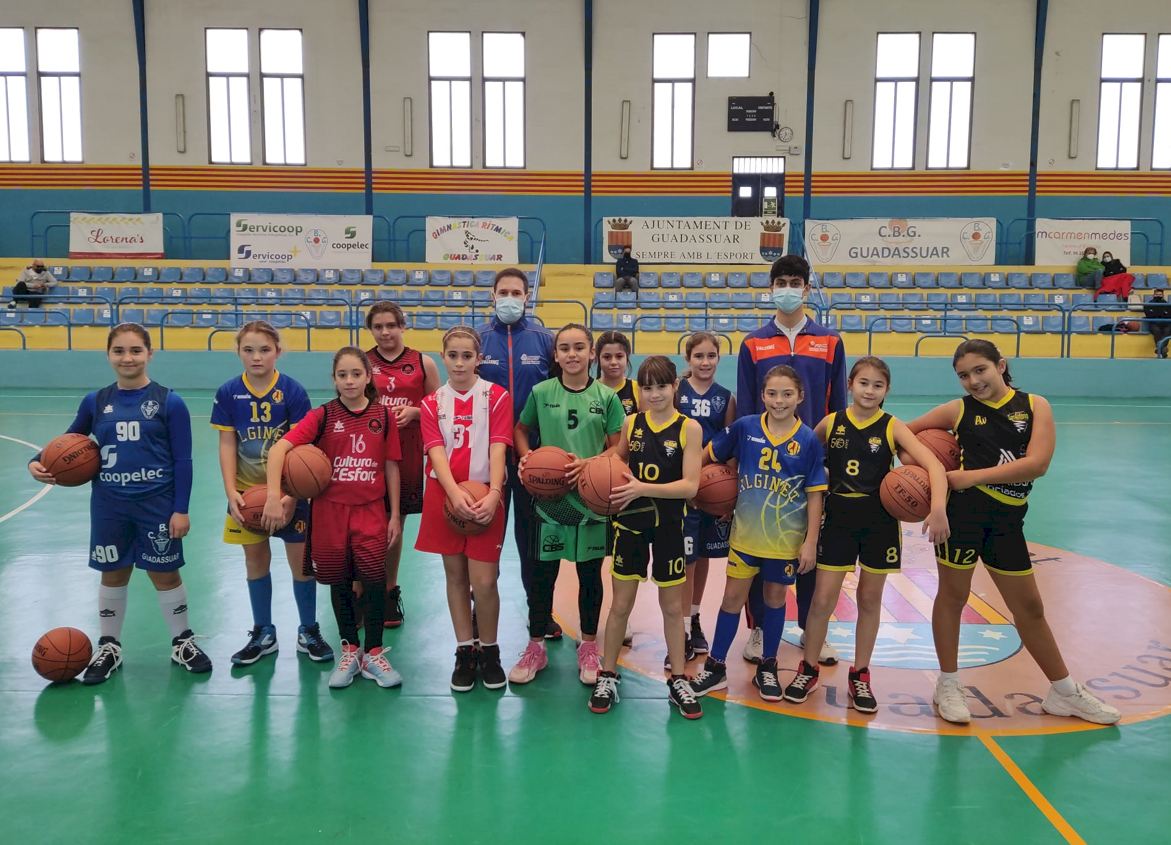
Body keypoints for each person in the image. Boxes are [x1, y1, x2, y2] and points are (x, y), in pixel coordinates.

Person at [909, 339, 1120, 725]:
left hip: (1007, 522)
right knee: (953, 599)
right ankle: (948, 685)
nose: (973, 381)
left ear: (1001, 365)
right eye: (963, 376)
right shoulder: (959, 410)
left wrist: (969, 476)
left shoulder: (1035, 406)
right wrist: (926, 468)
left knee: (1030, 608)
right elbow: (905, 435)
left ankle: (1063, 691)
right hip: (963, 518)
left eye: (980, 370)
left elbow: (1037, 465)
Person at [27, 323, 212, 684]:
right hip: (110, 504)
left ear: (150, 354)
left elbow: (183, 460)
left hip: (157, 504)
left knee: (165, 573)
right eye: (120, 351)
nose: (128, 358)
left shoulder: (169, 401)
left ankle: (182, 641)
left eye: (136, 351)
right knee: (113, 573)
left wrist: (181, 509)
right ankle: (109, 646)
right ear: (108, 355)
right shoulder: (95, 401)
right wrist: (37, 460)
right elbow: (69, 440)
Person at [782, 356, 950, 712]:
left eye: (877, 385)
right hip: (837, 519)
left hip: (879, 522)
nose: (869, 390)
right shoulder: (832, 422)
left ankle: (860, 674)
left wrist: (937, 508)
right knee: (822, 600)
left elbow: (933, 464)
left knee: (870, 600)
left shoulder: (892, 426)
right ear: (850, 385)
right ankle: (808, 668)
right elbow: (804, 457)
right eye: (863, 383)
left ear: (887, 390)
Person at [263, 347, 403, 690]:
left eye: (356, 374)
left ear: (368, 377)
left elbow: (391, 466)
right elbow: (280, 449)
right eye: (343, 375)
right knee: (339, 581)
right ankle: (350, 649)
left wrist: (395, 514)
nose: (350, 381)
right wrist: (273, 496)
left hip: (370, 510)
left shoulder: (383, 416)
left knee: (374, 581)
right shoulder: (323, 416)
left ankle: (373, 653)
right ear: (334, 379)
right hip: (329, 512)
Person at [689, 365, 826, 703]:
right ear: (762, 395)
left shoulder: (808, 439)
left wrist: (810, 542)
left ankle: (768, 666)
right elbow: (710, 454)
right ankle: (716, 666)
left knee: (775, 599)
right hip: (745, 536)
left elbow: (815, 494)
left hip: (785, 539)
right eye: (772, 393)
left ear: (800, 396)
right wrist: (697, 486)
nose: (779, 401)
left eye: (787, 394)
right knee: (732, 599)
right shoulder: (745, 427)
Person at [736, 254, 846, 666]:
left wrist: (833, 457)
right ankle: (759, 628)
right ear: (771, 288)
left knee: (810, 545)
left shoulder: (830, 341)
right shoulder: (753, 343)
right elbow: (748, 404)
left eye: (794, 282)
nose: (787, 288)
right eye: (780, 282)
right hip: (765, 464)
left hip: (812, 462)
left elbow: (839, 406)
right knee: (761, 542)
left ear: (806, 288)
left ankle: (810, 629)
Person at [588, 356, 704, 719]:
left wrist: (642, 488)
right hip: (630, 524)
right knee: (620, 605)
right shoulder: (632, 423)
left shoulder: (689, 428)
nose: (655, 394)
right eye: (648, 387)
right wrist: (591, 467)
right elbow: (617, 457)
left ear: (675, 386)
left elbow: (690, 486)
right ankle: (608, 674)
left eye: (662, 386)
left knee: (672, 607)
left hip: (669, 526)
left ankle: (679, 679)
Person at [212, 320, 333, 666]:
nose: (256, 357)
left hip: (288, 496)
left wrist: (290, 497)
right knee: (255, 562)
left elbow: (300, 448)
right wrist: (231, 492)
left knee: (302, 565)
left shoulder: (292, 392)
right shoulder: (228, 392)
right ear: (238, 352)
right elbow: (227, 443)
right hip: (247, 496)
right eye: (248, 350)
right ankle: (263, 632)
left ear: (278, 352)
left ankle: (308, 630)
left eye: (265, 350)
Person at [512, 323, 625, 685]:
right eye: (564, 348)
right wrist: (527, 458)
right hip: (549, 501)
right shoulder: (541, 391)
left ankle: (588, 645)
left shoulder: (607, 397)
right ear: (556, 355)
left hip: (591, 501)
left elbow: (618, 447)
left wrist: (589, 464)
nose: (572, 354)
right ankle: (535, 645)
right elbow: (520, 429)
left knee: (589, 575)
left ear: (591, 353)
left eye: (579, 347)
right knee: (542, 575)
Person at [416, 326, 513, 692]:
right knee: (455, 577)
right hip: (444, 497)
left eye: (467, 356)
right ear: (443, 357)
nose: (459, 363)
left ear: (478, 359)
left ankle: (490, 650)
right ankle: (464, 650)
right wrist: (453, 493)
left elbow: (499, 448)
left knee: (485, 582)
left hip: (486, 496)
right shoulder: (431, 403)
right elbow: (435, 451)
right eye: (453, 356)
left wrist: (495, 493)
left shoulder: (496, 397)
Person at [477, 269, 560, 640]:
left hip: (534, 461)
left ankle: (540, 613)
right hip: (485, 461)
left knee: (534, 545)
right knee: (484, 541)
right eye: (503, 292)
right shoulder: (478, 340)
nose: (509, 298)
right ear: (492, 295)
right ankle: (480, 608)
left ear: (527, 296)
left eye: (516, 292)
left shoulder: (545, 340)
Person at [366, 301, 441, 628]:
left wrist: (415, 412)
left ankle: (388, 590)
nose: (385, 332)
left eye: (390, 325)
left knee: (394, 523)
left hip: (408, 451)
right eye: (378, 327)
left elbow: (439, 408)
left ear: (402, 326)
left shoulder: (423, 362)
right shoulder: (363, 362)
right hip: (368, 451)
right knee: (365, 523)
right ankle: (360, 590)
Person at [677, 331, 736, 662]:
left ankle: (695, 616)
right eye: (698, 356)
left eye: (711, 355)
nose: (705, 362)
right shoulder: (676, 391)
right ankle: (682, 628)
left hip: (712, 491)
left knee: (702, 557)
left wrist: (729, 495)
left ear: (718, 359)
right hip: (682, 489)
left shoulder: (726, 398)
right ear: (688, 358)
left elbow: (729, 450)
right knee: (685, 559)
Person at [595, 330, 639, 415]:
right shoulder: (589, 390)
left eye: (619, 356)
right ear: (598, 358)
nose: (613, 362)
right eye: (607, 357)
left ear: (627, 357)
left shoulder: (638, 389)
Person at [1142, 288, 1171, 357]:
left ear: (1163, 295)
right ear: (1153, 295)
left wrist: (1156, 313)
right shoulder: (1148, 305)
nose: (1158, 296)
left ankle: (1159, 349)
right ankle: (1163, 350)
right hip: (1154, 323)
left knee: (1168, 330)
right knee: (1156, 330)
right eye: (1157, 294)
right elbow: (1149, 315)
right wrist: (1162, 313)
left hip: (1165, 323)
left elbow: (1169, 315)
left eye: (1160, 294)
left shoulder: (1168, 305)